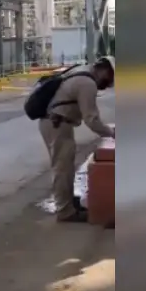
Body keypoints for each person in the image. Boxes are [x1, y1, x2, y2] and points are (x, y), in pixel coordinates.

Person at [38, 55, 116, 223]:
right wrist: (111, 133)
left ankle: (67, 204)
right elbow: (92, 120)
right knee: (62, 168)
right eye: (110, 78)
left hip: (54, 122)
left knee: (64, 166)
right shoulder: (87, 83)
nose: (109, 84)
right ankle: (65, 212)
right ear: (104, 70)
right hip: (57, 124)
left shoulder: (81, 71)